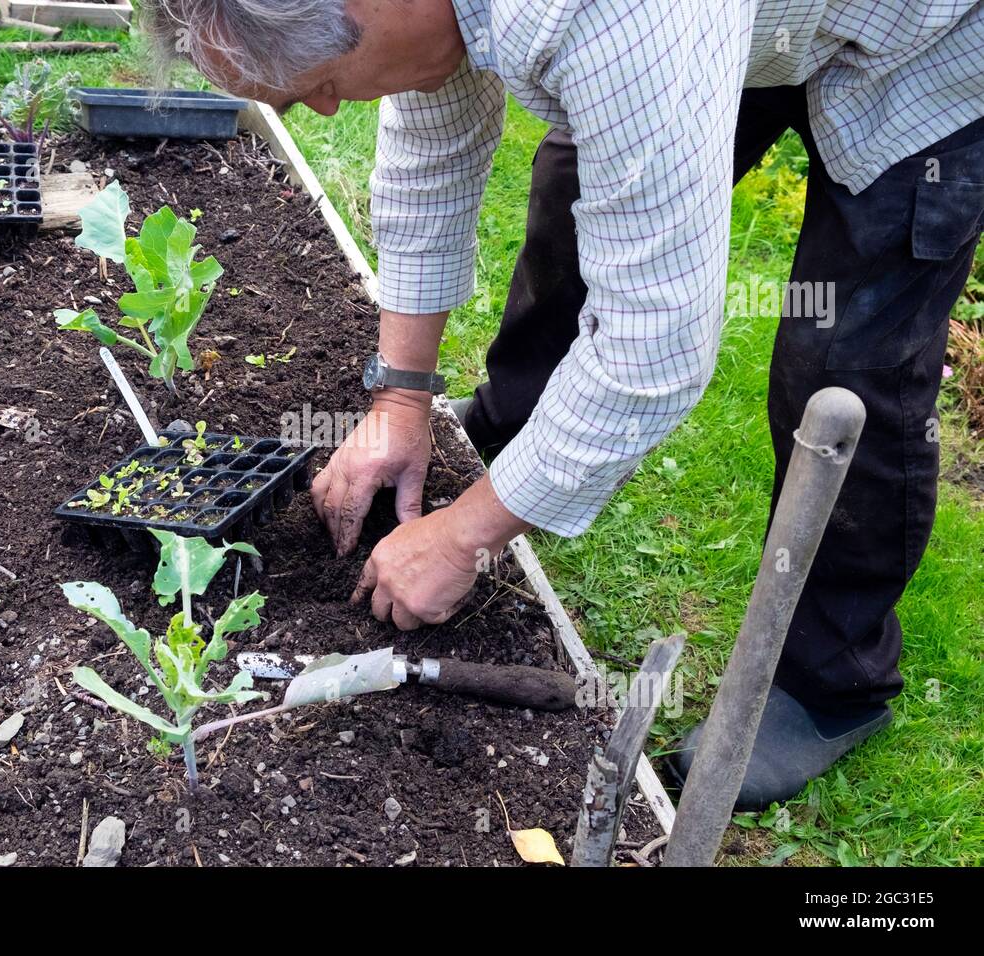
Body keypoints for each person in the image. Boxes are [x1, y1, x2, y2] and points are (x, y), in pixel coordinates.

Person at [140, 0, 984, 808]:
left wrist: (466, 538)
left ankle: (833, 680)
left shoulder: (607, 12)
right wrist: (400, 399)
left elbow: (653, 343)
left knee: (840, 362)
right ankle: (509, 453)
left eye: (313, 80)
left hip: (912, 45)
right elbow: (432, 151)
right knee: (576, 211)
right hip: (746, 18)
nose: (323, 109)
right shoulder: (423, 15)